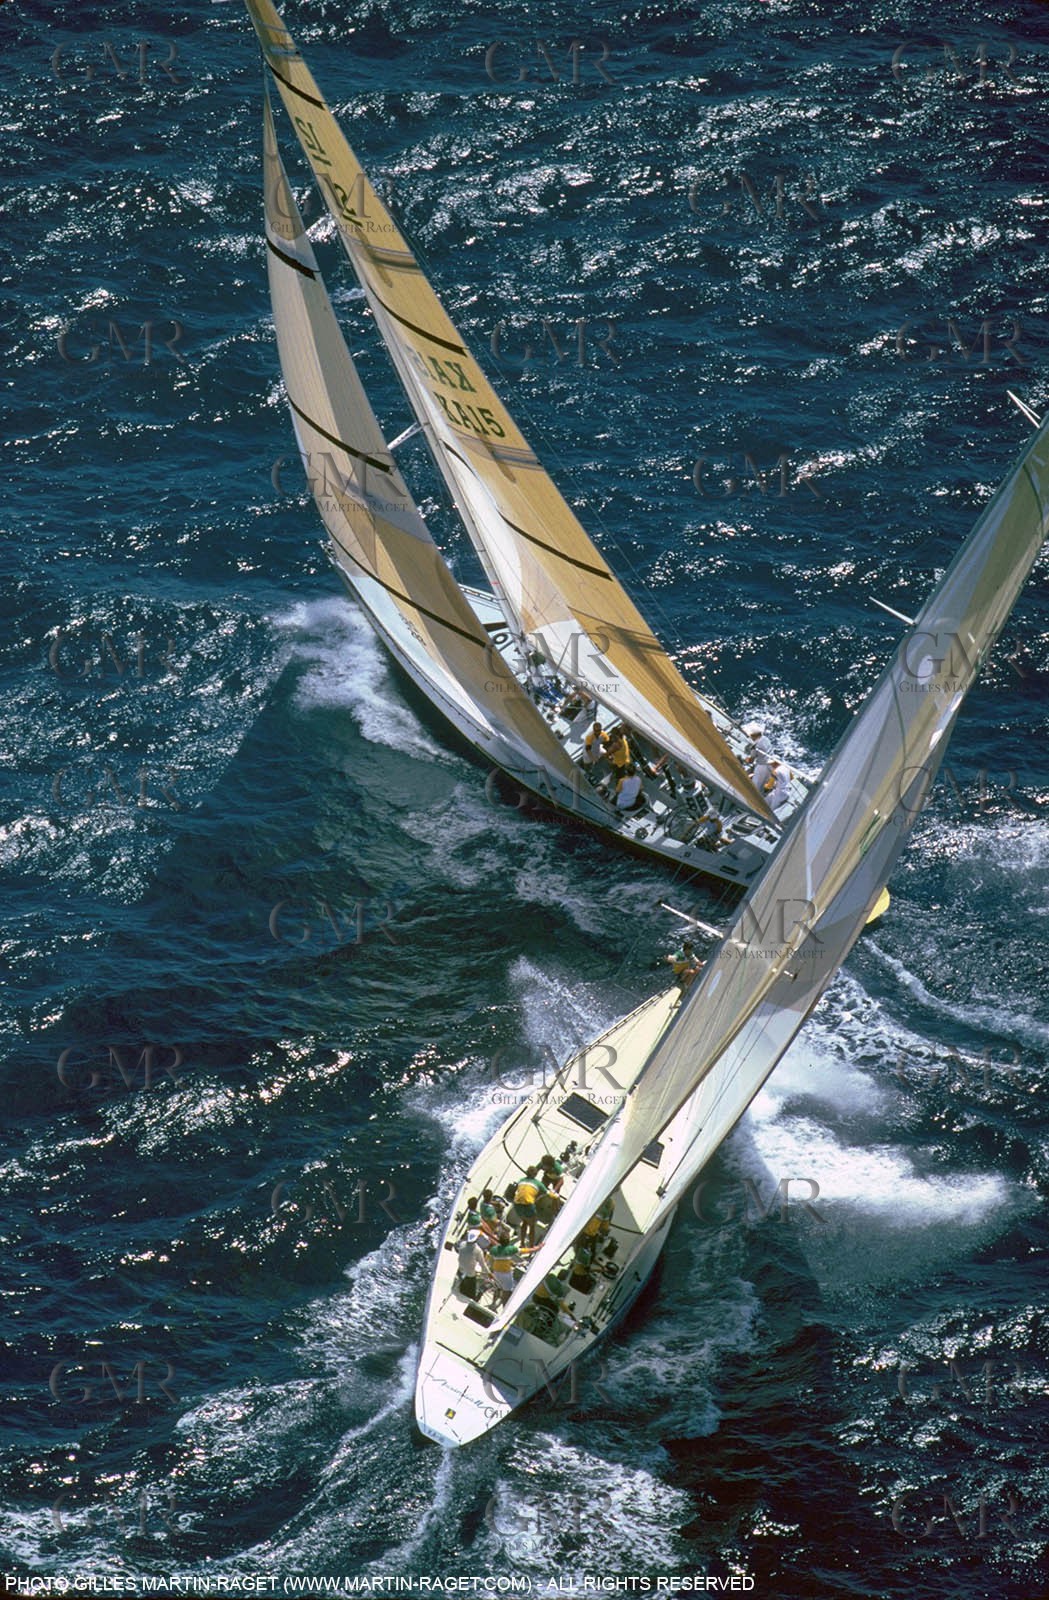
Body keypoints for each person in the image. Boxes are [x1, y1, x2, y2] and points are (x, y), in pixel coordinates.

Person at [512, 1166, 547, 1247]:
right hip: (528, 1205)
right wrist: (537, 1198)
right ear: (535, 1174)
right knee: (532, 1226)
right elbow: (545, 1192)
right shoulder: (537, 1183)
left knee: (524, 1222)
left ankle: (522, 1244)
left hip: (517, 1205)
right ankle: (531, 1246)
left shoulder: (521, 1180)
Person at [456, 1228, 489, 1301]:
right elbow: (483, 1265)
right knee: (472, 1295)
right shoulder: (478, 1250)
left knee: (464, 1285)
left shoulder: (462, 1244)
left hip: (461, 1270)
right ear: (476, 1239)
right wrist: (488, 1273)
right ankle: (479, 1293)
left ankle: (462, 1287)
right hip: (470, 1274)